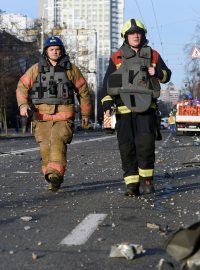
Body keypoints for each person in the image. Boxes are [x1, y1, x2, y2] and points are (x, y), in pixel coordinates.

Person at [101, 19, 171, 196]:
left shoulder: (153, 55)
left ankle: (146, 180)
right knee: (127, 147)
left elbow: (167, 75)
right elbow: (108, 84)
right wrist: (107, 104)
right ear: (125, 36)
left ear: (143, 35)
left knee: (145, 145)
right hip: (123, 111)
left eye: (138, 32)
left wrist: (158, 73)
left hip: (146, 109)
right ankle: (131, 183)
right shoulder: (117, 57)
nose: (136, 35)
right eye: (132, 33)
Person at [16, 36, 91, 191]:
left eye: (57, 49)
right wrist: (23, 104)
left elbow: (83, 91)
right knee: (45, 148)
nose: (55, 52)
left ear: (61, 51)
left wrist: (85, 114)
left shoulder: (71, 70)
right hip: (41, 117)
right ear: (46, 51)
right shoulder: (36, 69)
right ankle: (51, 178)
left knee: (57, 141)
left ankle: (55, 173)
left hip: (64, 117)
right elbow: (22, 86)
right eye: (52, 49)